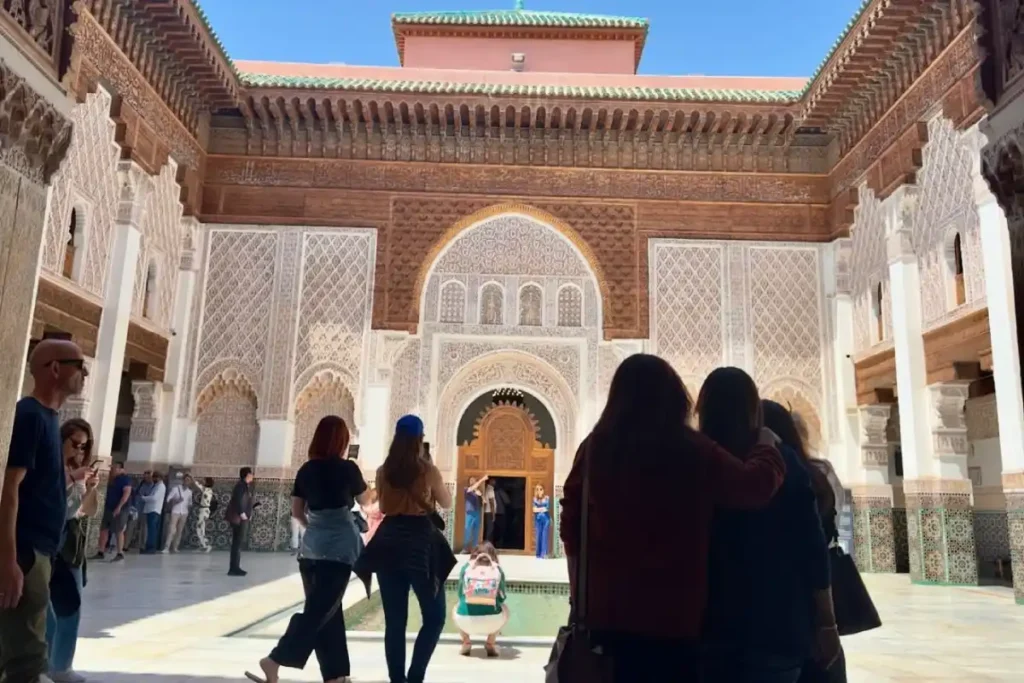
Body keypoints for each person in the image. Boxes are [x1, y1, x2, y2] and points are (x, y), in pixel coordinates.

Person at [559, 354, 786, 683]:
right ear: (674, 396)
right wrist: (766, 445)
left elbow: (571, 530)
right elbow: (754, 487)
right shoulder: (691, 449)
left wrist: (580, 599)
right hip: (675, 618)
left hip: (609, 616)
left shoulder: (595, 450)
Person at [697, 370, 838, 683]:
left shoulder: (695, 463)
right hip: (777, 629)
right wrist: (827, 623)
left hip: (711, 629)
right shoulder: (784, 461)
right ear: (753, 409)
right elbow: (812, 548)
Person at [247, 416, 372, 683]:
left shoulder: (306, 470)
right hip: (338, 553)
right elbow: (367, 502)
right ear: (342, 441)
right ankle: (274, 659)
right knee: (319, 613)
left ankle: (335, 676)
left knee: (329, 614)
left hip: (311, 551)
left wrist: (317, 527)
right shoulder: (348, 469)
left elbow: (297, 513)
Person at [0, 339, 88, 683]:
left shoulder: (49, 419)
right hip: (25, 552)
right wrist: (9, 560)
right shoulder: (31, 416)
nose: (83, 374)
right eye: (79, 366)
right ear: (55, 369)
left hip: (40, 552)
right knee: (27, 659)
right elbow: (9, 490)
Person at [354, 415, 455, 683]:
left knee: (395, 624)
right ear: (419, 439)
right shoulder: (427, 470)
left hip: (389, 543)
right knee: (434, 617)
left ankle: (397, 680)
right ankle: (415, 677)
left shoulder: (383, 471)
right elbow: (447, 503)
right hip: (420, 544)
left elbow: (384, 508)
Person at [47, 418, 99, 683]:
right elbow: (61, 508)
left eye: (84, 447)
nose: (79, 452)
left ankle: (61, 666)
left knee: (71, 608)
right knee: (48, 613)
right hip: (49, 545)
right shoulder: (50, 467)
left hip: (71, 547)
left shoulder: (77, 470)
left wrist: (89, 489)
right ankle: (44, 666)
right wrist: (72, 481)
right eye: (75, 444)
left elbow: (86, 511)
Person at [453, 542, 507, 658]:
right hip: (493, 622)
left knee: (456, 607)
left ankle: (466, 641)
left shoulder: (466, 568)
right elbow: (502, 597)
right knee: (505, 609)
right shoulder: (497, 569)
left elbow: (459, 593)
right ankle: (490, 643)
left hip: (465, 622)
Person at [96, 462, 132, 562]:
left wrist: (119, 507)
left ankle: (120, 552)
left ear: (121, 469)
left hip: (120, 508)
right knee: (104, 528)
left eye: (115, 468)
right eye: (112, 468)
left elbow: (126, 494)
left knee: (118, 530)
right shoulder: (113, 479)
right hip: (109, 507)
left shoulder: (125, 479)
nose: (113, 470)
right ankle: (101, 551)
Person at [226, 467, 255, 576]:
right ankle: (234, 568)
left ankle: (235, 567)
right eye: (251, 474)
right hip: (239, 518)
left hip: (242, 517)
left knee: (238, 543)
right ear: (247, 475)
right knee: (237, 543)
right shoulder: (241, 486)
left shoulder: (244, 486)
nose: (253, 476)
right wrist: (242, 513)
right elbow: (238, 500)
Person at [161, 474, 193, 554]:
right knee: (172, 529)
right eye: (186, 480)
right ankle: (166, 547)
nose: (187, 482)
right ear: (183, 480)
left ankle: (175, 547)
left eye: (188, 480)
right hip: (175, 511)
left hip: (184, 512)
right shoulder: (176, 489)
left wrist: (188, 508)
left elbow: (190, 503)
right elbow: (168, 499)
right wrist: (176, 500)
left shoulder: (189, 492)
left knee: (179, 530)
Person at [139, 472, 165, 554]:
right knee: (150, 530)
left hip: (154, 510)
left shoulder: (160, 486)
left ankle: (151, 548)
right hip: (150, 509)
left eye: (154, 478)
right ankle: (148, 546)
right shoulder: (156, 486)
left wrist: (144, 498)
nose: (153, 479)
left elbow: (154, 498)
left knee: (152, 531)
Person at [126, 471, 153, 552]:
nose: (146, 478)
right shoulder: (141, 484)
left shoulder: (153, 486)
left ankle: (142, 546)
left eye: (147, 477)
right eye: (144, 477)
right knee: (130, 527)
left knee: (143, 528)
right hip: (136, 509)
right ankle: (126, 545)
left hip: (145, 510)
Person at [461, 475, 487, 554]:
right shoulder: (467, 489)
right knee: (468, 530)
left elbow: (484, 502)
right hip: (470, 513)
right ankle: (465, 548)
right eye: (471, 480)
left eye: (474, 480)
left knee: (476, 531)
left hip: (477, 512)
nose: (472, 481)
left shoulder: (478, 492)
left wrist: (481, 496)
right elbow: (472, 488)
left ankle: (474, 549)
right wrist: (482, 479)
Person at [193, 477, 216, 553]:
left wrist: (191, 476)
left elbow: (197, 484)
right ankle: (203, 545)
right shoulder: (210, 490)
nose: (202, 481)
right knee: (202, 529)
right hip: (205, 511)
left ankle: (206, 546)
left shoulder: (206, 489)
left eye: (204, 480)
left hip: (203, 511)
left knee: (199, 528)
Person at [532, 484, 551, 559]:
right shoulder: (534, 499)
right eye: (537, 489)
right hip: (538, 520)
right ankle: (538, 554)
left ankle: (544, 554)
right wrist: (542, 508)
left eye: (541, 489)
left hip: (546, 519)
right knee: (538, 535)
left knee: (544, 535)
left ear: (543, 490)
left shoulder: (547, 498)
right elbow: (534, 510)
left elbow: (547, 508)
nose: (539, 491)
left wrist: (539, 508)